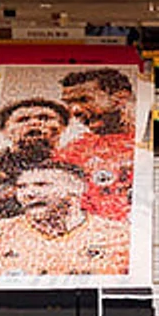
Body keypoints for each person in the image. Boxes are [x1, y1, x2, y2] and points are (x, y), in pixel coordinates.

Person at [0, 162, 130, 277]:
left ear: (77, 188)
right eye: (21, 187)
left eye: (42, 185)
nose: (29, 193)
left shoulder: (120, 237)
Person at [0, 98, 70, 225]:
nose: (35, 123)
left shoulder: (75, 163)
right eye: (23, 120)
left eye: (44, 118)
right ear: (5, 131)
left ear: (62, 127)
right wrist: (3, 197)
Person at [57, 68, 135, 221]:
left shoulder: (156, 140)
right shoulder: (72, 152)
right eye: (69, 104)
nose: (75, 110)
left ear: (120, 99)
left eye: (84, 100)